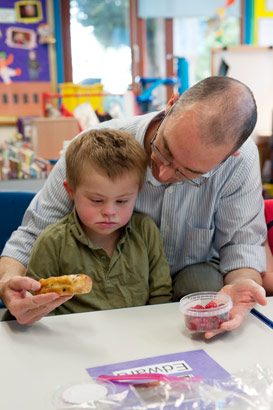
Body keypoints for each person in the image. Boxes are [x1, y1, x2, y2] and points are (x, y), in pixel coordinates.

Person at [0, 76, 267, 338]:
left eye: (188, 172)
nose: (162, 174)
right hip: (111, 291)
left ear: (231, 154)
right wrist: (8, 284)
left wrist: (242, 284)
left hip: (189, 283)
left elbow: (241, 246)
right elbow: (32, 235)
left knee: (203, 284)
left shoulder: (241, 162)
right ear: (170, 104)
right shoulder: (96, 147)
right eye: (164, 150)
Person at [4, 129, 173, 319]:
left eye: (122, 201)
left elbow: (161, 294)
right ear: (71, 191)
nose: (109, 211)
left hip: (138, 336)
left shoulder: (146, 231)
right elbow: (35, 303)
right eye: (96, 200)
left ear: (138, 193)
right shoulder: (52, 241)